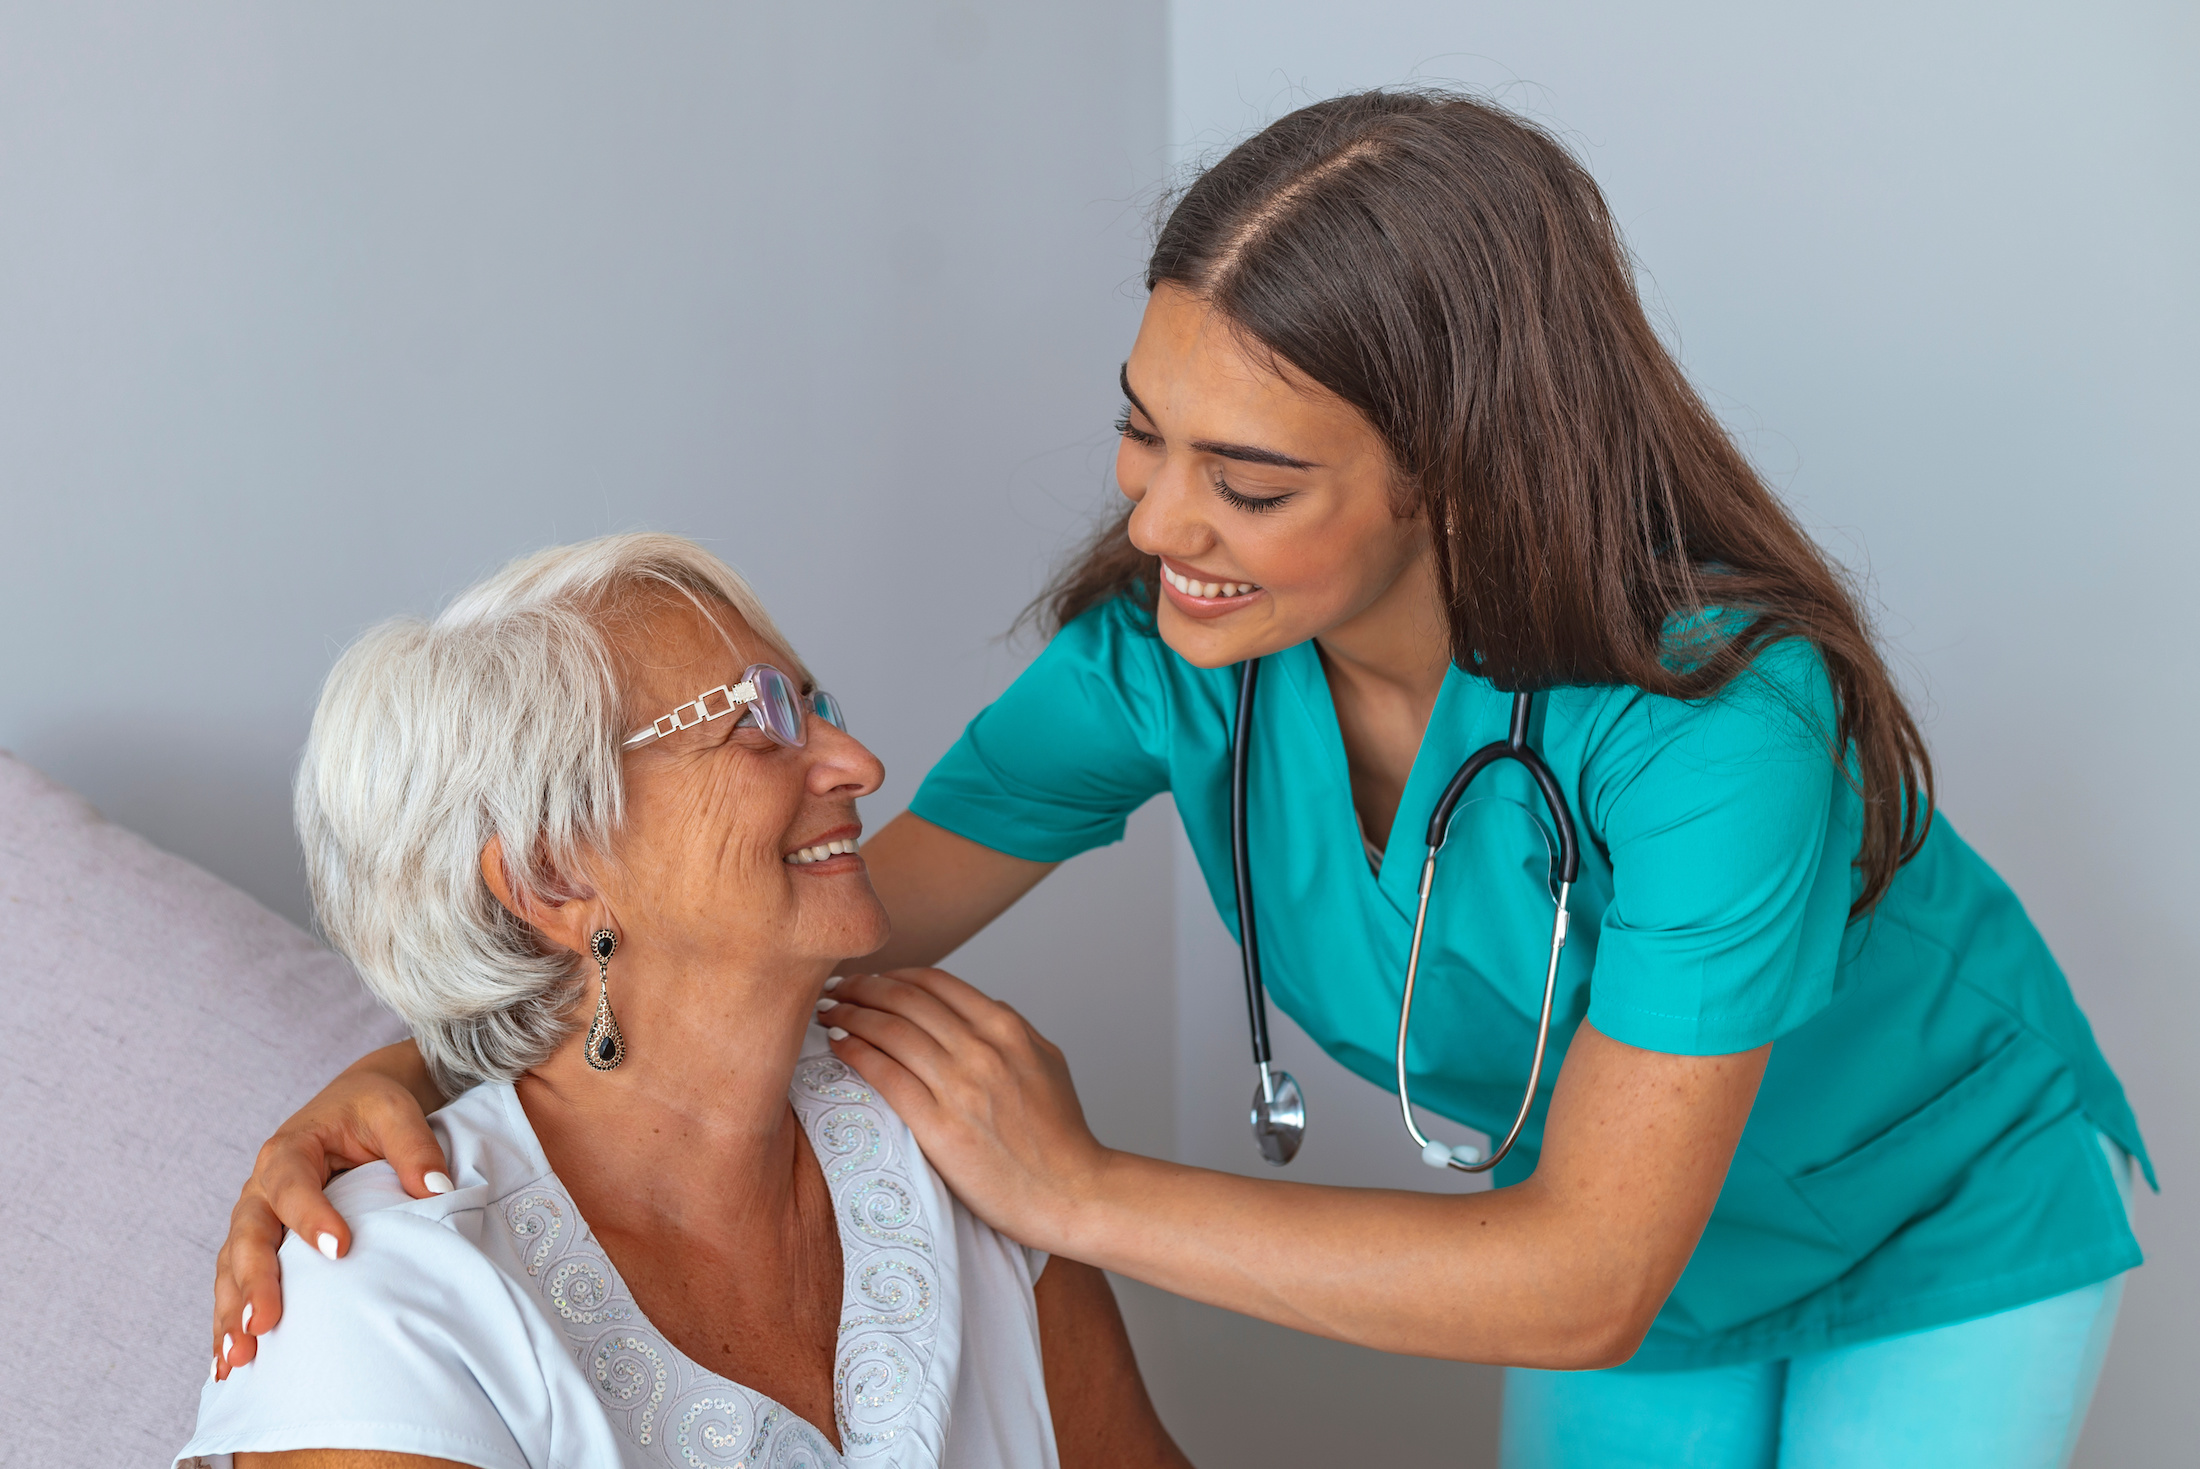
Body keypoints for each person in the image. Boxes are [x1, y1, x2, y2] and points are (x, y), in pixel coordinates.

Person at [209, 93, 2149, 1467]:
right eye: (1143, 436)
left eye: (1249, 478)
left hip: (1915, 1207)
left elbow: (1575, 1281)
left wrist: (1076, 1191)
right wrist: (417, 1062)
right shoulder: (1164, 660)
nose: (1154, 521)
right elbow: (792, 912)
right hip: (1594, 1234)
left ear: (1453, 472)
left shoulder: (1720, 720)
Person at [183, 535, 1188, 1469]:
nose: (859, 763)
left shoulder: (965, 1132)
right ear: (550, 877)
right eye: (759, 719)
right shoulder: (379, 1301)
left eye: (814, 702)